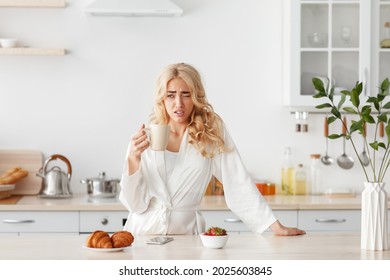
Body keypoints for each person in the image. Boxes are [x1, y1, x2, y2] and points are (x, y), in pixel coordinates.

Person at [119, 62, 305, 236]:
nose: (178, 103)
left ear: (196, 96)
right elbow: (135, 205)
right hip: (144, 235)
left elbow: (237, 180)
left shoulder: (209, 134)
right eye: (171, 95)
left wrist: (273, 225)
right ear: (162, 98)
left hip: (187, 237)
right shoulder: (144, 138)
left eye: (186, 94)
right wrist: (133, 160)